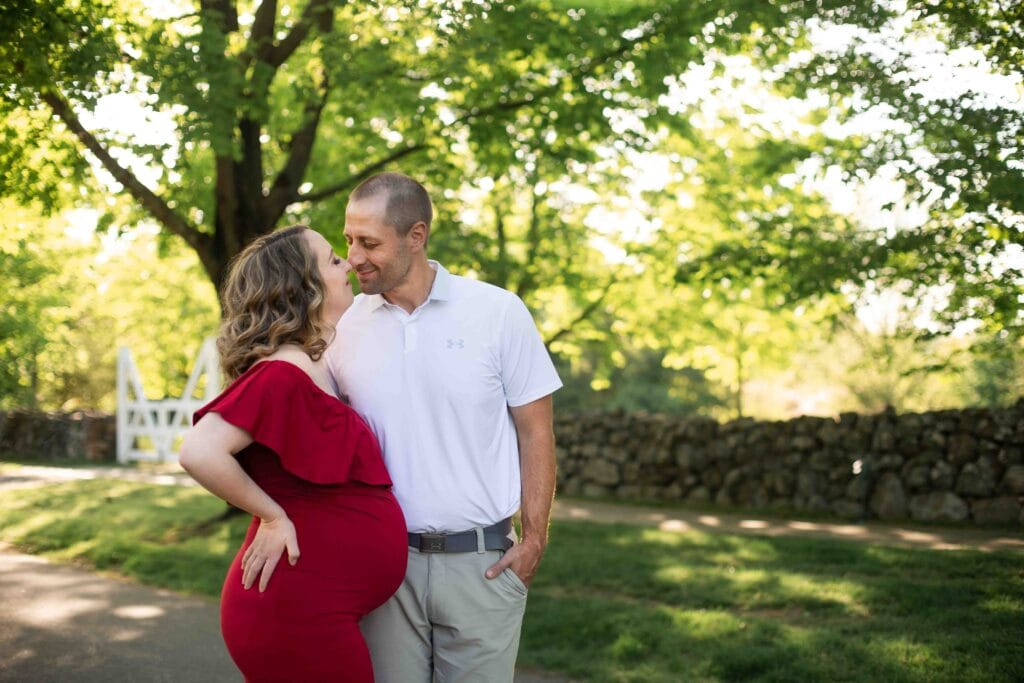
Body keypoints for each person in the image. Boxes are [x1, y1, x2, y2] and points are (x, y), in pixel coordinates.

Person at [327, 172, 562, 682]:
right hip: (383, 566)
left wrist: (535, 539)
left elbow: (535, 432)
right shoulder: (341, 327)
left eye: (369, 242)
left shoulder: (498, 312)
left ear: (416, 236)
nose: (353, 257)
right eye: (348, 240)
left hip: (483, 565)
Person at [179, 225, 407, 682]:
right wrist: (272, 515)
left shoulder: (315, 365)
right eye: (331, 260)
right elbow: (199, 453)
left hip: (314, 606)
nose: (347, 264)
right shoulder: (282, 372)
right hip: (294, 611)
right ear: (303, 286)